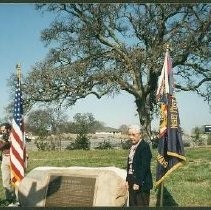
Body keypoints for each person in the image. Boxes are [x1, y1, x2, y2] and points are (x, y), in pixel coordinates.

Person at [125, 124, 153, 206]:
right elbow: (130, 165)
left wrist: (138, 182)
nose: (131, 137)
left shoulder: (144, 147)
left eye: (133, 135)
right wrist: (127, 179)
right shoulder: (133, 146)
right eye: (129, 135)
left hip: (141, 182)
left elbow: (144, 167)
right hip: (131, 180)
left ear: (140, 135)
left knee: (141, 204)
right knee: (132, 204)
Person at [0, 123, 17, 205]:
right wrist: (4, 141)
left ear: (9, 129)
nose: (2, 132)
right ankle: (8, 199)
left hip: (14, 159)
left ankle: (17, 198)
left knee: (15, 179)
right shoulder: (1, 137)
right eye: (1, 131)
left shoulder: (15, 136)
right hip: (5, 158)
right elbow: (1, 147)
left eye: (3, 130)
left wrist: (8, 141)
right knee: (6, 180)